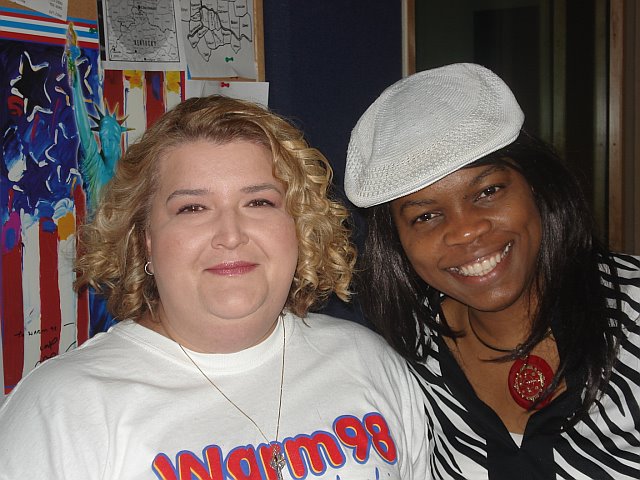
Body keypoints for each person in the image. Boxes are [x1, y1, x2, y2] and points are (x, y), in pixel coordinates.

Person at [0, 95, 428, 479]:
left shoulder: (368, 362)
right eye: (193, 208)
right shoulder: (63, 410)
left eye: (259, 202)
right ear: (145, 239)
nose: (231, 235)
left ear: (298, 225)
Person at [344, 63, 640, 479]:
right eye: (426, 216)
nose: (465, 230)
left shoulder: (632, 310)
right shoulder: (407, 362)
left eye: (488, 191)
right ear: (397, 242)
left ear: (536, 185)